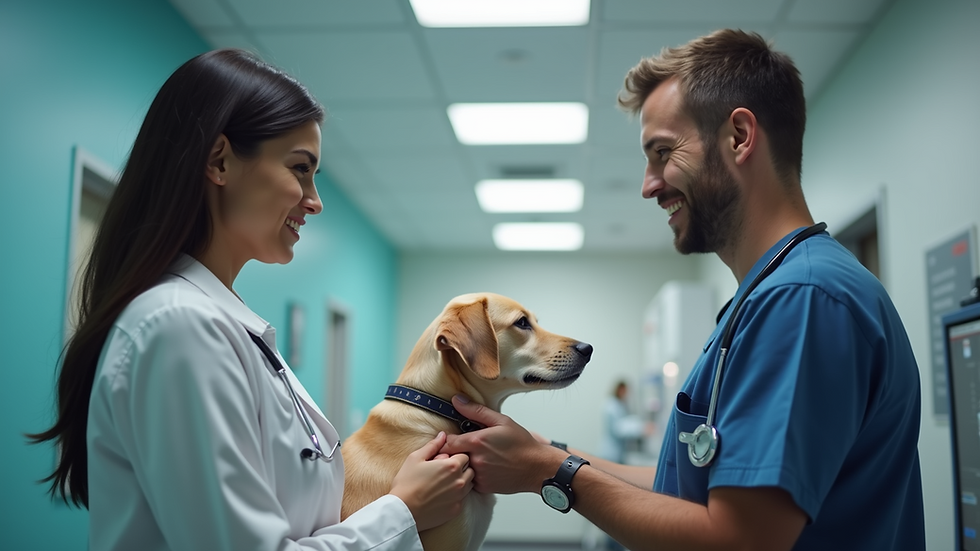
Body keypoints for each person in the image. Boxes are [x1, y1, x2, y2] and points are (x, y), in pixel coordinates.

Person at [441, 29, 925, 550]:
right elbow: (684, 490)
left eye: (663, 152)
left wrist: (547, 472)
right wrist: (545, 452)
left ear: (739, 137)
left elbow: (739, 540)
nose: (649, 184)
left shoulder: (802, 299)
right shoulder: (766, 298)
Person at [27, 49, 473, 550]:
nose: (314, 201)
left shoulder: (219, 326)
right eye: (300, 169)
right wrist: (402, 510)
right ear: (219, 161)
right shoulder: (179, 326)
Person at [598, 380, 650, 464]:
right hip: (611, 454)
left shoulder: (618, 405)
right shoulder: (611, 406)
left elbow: (625, 422)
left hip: (617, 453)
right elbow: (618, 429)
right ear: (620, 390)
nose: (627, 395)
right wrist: (641, 428)